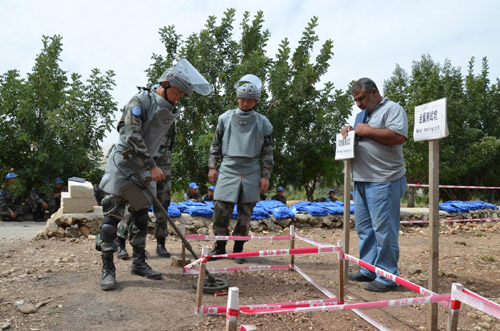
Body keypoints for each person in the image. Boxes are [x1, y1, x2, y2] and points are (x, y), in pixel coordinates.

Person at [96, 59, 211, 291]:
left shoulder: (167, 111)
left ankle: (139, 262)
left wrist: (149, 167)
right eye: (176, 93)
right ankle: (108, 268)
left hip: (144, 171)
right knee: (111, 222)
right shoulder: (138, 102)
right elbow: (131, 136)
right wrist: (151, 165)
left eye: (181, 96)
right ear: (165, 83)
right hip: (124, 167)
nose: (177, 98)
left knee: (140, 218)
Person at [341, 77, 408, 292]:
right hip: (361, 180)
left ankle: (387, 276)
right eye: (356, 100)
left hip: (384, 180)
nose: (358, 104)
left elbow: (399, 136)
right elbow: (360, 134)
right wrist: (349, 132)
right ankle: (368, 269)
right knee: (365, 229)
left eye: (361, 98)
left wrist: (366, 131)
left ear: (374, 91)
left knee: (384, 230)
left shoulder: (392, 109)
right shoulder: (362, 115)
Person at [208, 74, 273, 264]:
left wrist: (265, 176)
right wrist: (213, 166)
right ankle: (219, 248)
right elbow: (215, 145)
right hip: (228, 167)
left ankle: (238, 249)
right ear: (237, 98)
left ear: (256, 101)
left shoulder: (263, 122)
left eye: (250, 100)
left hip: (252, 168)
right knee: (220, 210)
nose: (245, 103)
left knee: (245, 214)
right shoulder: (224, 119)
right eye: (242, 99)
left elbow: (268, 153)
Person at [116, 120, 177, 260]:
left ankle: (161, 243)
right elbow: (124, 129)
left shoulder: (171, 113)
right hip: (141, 164)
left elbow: (171, 144)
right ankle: (120, 243)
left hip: (163, 166)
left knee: (162, 205)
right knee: (134, 204)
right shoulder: (142, 106)